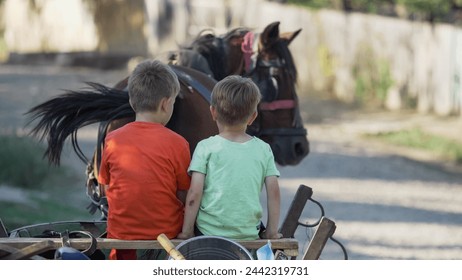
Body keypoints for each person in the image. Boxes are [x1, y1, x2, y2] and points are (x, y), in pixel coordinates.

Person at [98, 59, 191, 260]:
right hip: (167, 231)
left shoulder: (113, 139)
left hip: (121, 231)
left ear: (132, 102)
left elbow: (105, 187)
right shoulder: (178, 143)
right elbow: (183, 192)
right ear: (166, 104)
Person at [178, 75, 282, 241]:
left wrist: (187, 231)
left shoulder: (206, 147)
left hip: (207, 234)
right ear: (253, 116)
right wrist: (271, 232)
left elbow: (194, 194)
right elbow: (274, 193)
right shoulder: (263, 149)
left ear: (213, 112)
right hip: (248, 235)